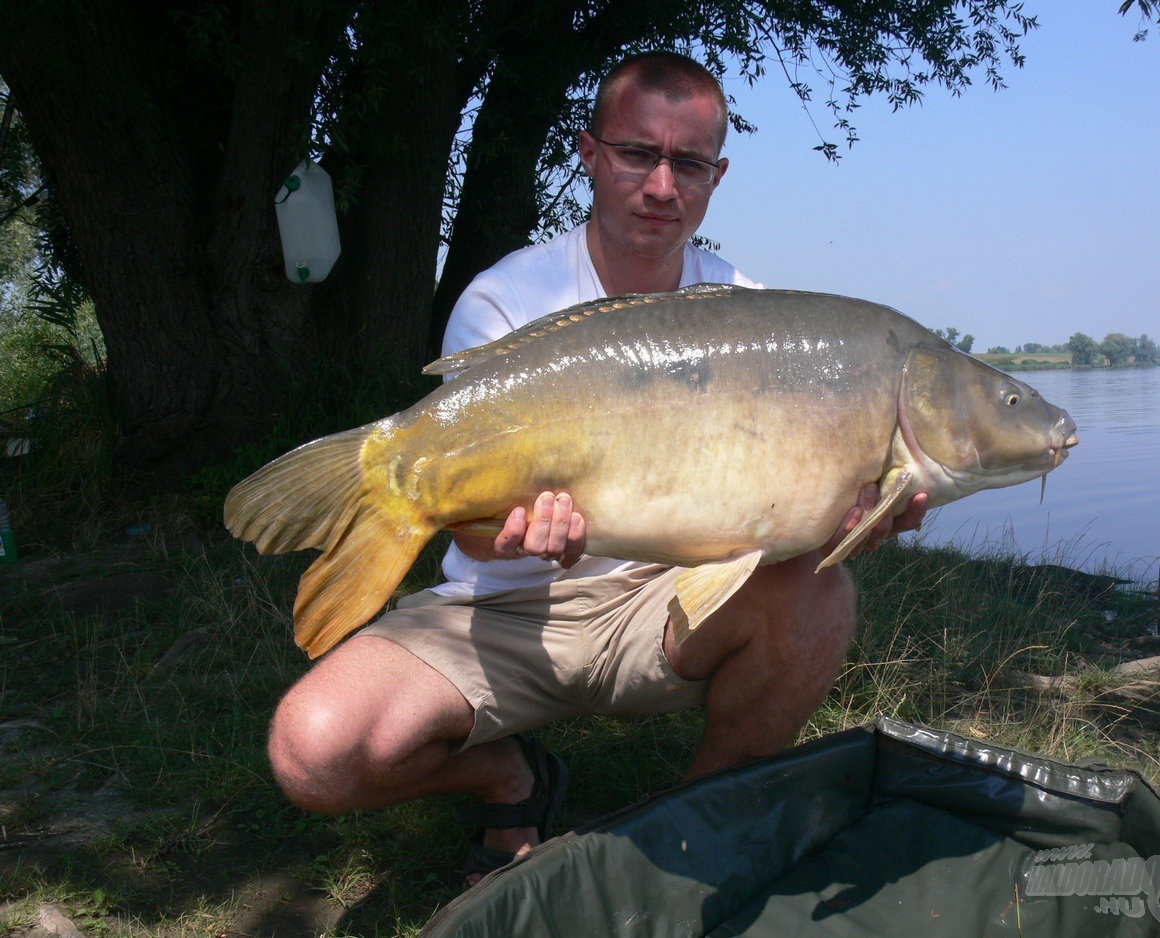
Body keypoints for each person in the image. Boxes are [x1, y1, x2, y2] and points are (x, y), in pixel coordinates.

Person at [266, 51, 927, 885]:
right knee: (313, 750)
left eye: (688, 163)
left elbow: (771, 515)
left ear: (716, 177)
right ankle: (511, 778)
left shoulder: (748, 311)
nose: (661, 186)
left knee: (822, 596)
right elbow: (476, 539)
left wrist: (846, 522)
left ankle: (695, 825)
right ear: (589, 152)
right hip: (504, 608)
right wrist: (515, 538)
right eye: (636, 154)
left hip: (660, 599)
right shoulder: (506, 300)